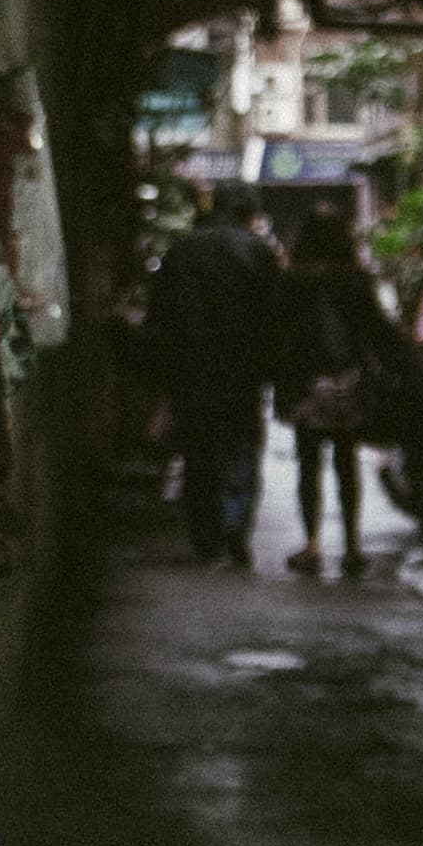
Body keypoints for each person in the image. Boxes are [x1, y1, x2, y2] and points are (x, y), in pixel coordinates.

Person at [142, 187, 288, 569]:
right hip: (243, 371)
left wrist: (163, 372)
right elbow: (276, 316)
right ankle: (234, 527)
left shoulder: (182, 250)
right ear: (249, 214)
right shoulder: (257, 251)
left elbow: (159, 316)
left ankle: (207, 537)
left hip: (191, 369)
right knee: (240, 447)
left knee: (199, 453)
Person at [277, 196, 405, 581]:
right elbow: (377, 331)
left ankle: (313, 543)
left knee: (309, 464)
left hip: (306, 383)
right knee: (346, 464)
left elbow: (280, 336)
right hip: (348, 380)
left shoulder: (293, 280)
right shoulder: (355, 279)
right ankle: (351, 545)